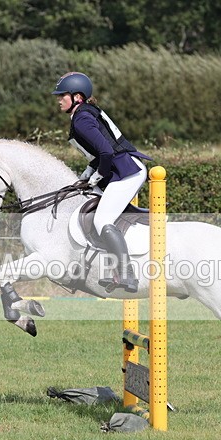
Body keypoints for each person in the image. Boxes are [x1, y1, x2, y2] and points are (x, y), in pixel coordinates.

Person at [52, 72, 151, 293]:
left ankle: (127, 274)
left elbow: (106, 151)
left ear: (77, 97)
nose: (58, 100)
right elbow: (100, 152)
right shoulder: (84, 113)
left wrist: (98, 174)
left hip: (126, 172)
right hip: (118, 171)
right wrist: (88, 172)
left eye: (62, 95)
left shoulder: (82, 118)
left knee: (102, 219)